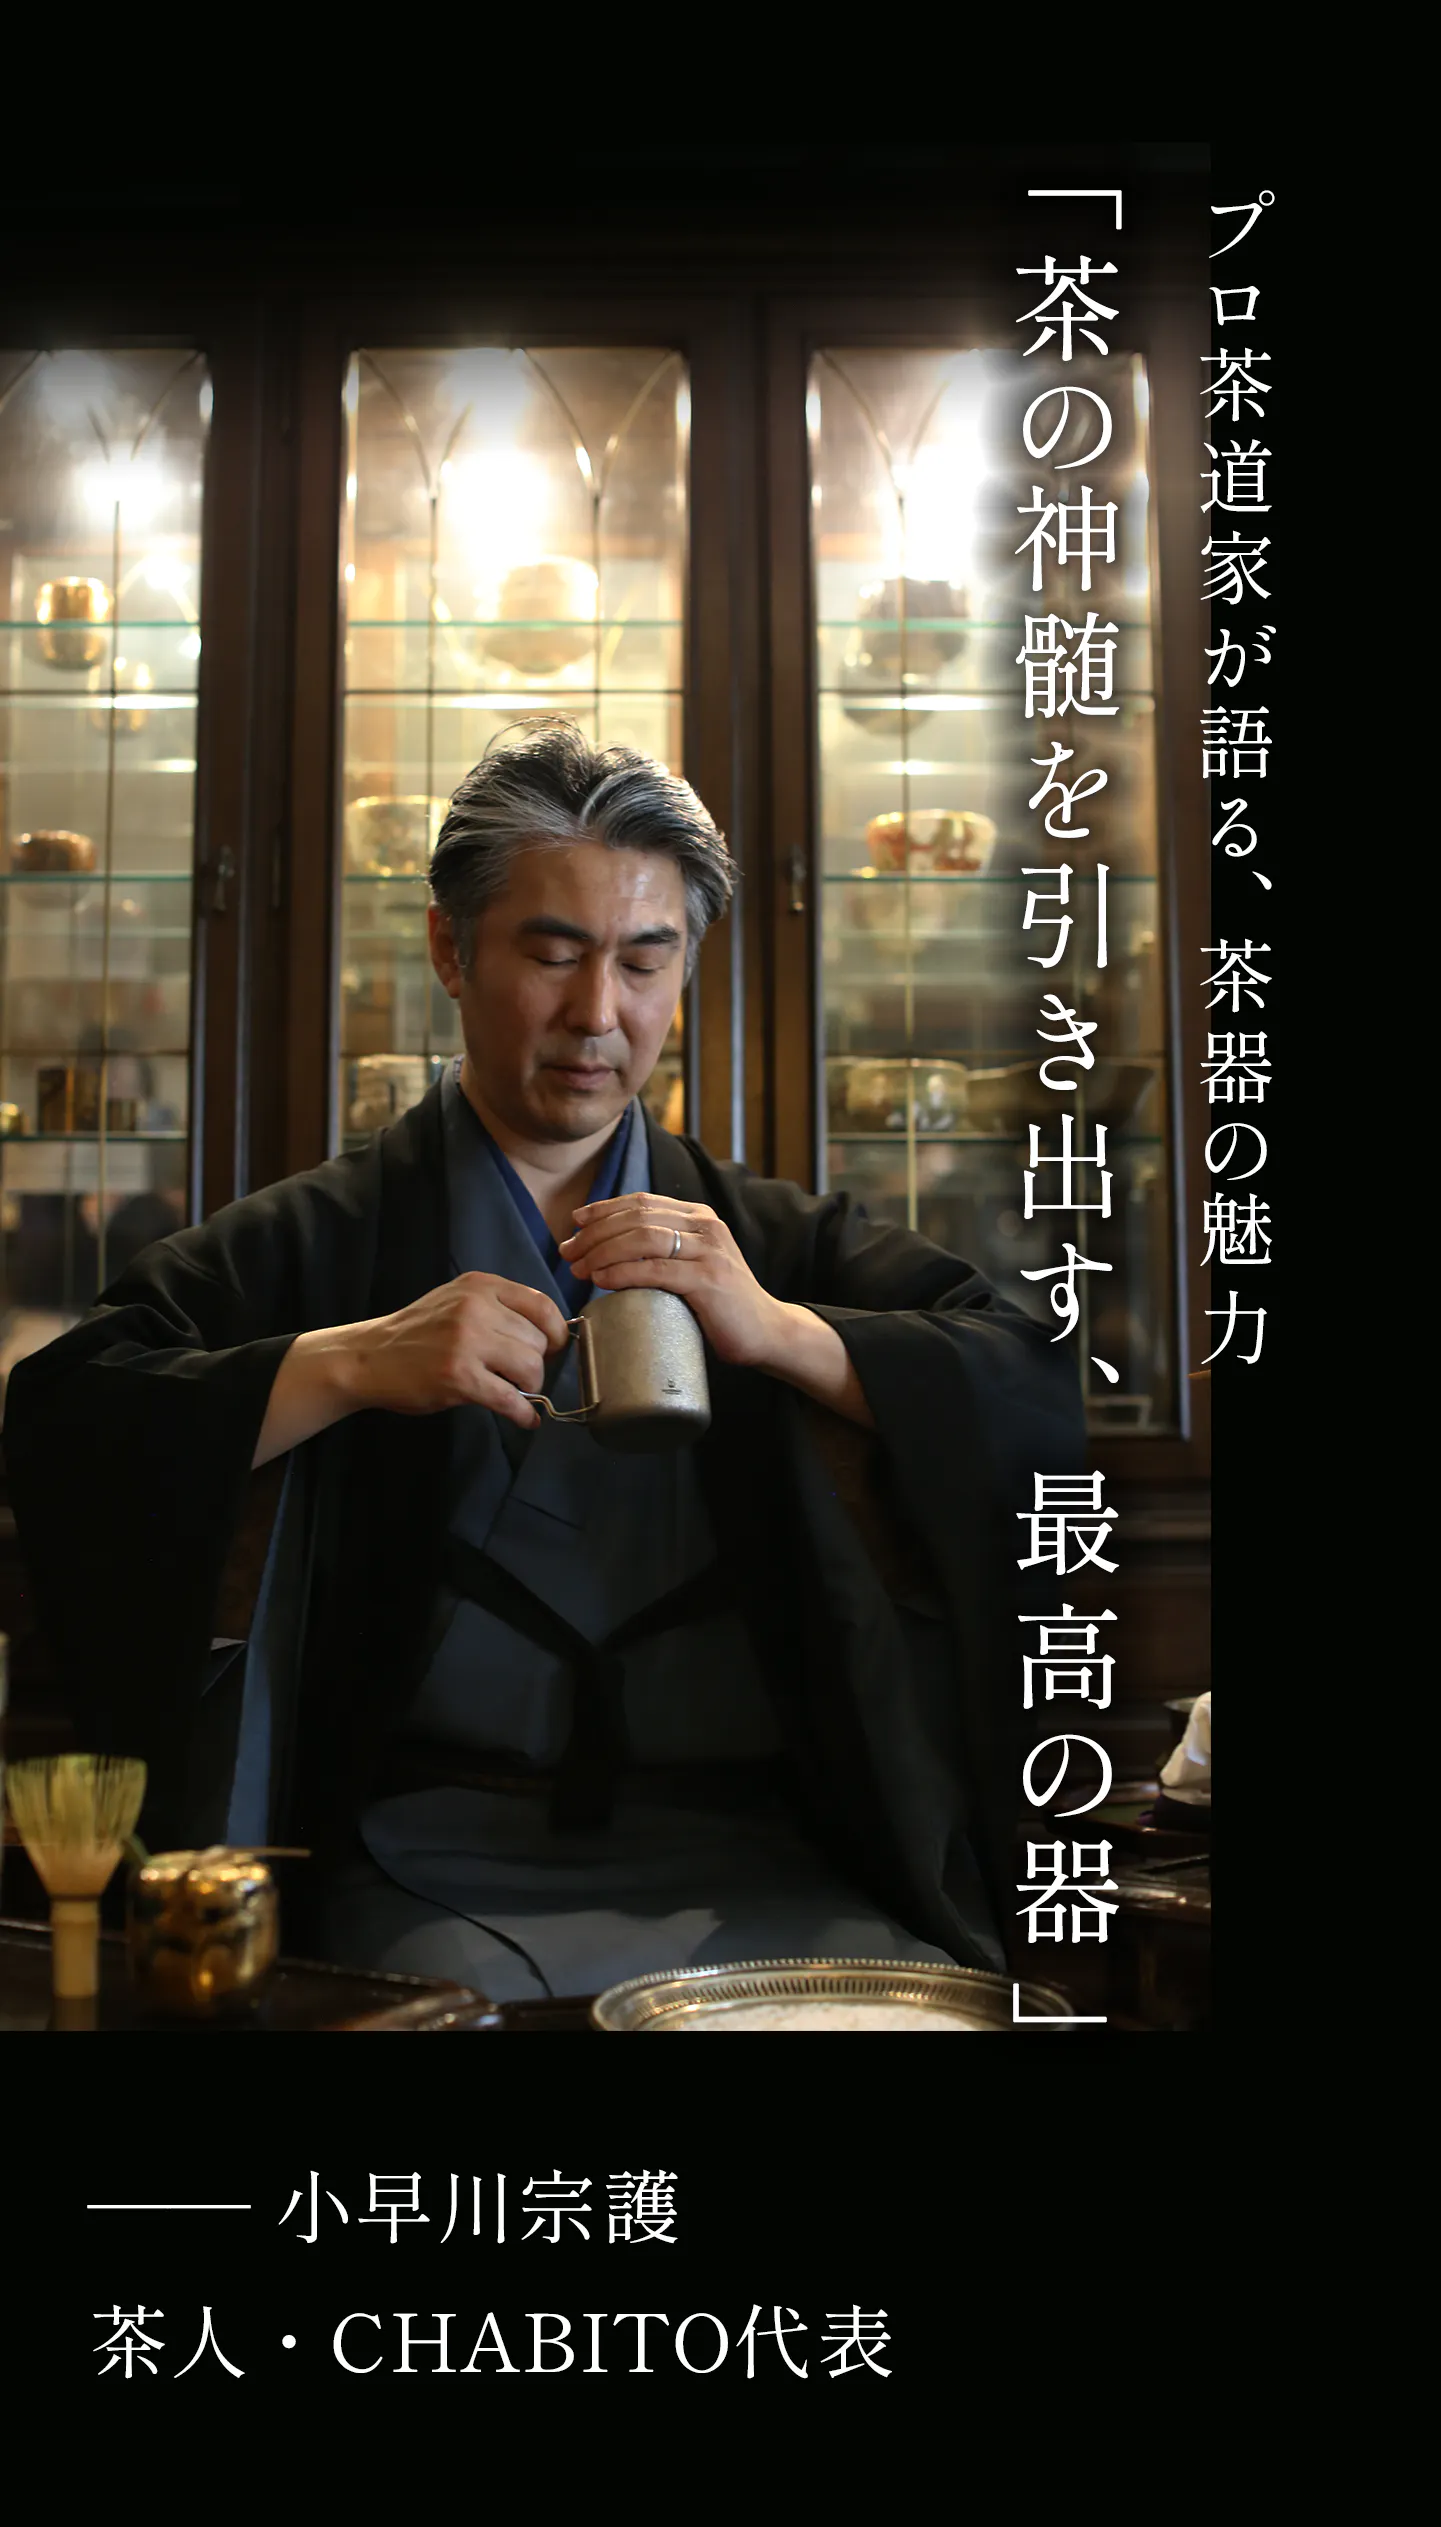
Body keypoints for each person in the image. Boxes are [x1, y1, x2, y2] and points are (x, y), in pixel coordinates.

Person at [3, 718, 1084, 2001]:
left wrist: (778, 1331)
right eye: (553, 953)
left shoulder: (764, 1243)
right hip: (426, 1854)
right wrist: (348, 1363)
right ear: (449, 949)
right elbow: (67, 1414)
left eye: (644, 960)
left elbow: (1028, 1381)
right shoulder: (323, 1241)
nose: (597, 1013)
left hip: (768, 1846)